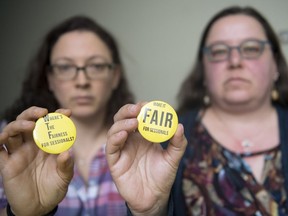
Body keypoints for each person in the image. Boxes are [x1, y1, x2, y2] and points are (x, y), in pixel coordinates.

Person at [106, 6, 288, 216]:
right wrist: (150, 211)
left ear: (275, 64)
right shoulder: (162, 141)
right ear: (204, 69)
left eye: (251, 48)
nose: (235, 61)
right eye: (219, 51)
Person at [0, 15, 134, 215]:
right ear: (50, 80)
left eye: (96, 66)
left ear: (115, 77)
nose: (82, 81)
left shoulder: (139, 144)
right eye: (65, 67)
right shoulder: (10, 143)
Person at [0, 107, 74, 216]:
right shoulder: (12, 145)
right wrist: (21, 214)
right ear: (50, 88)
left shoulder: (109, 151)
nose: (81, 88)